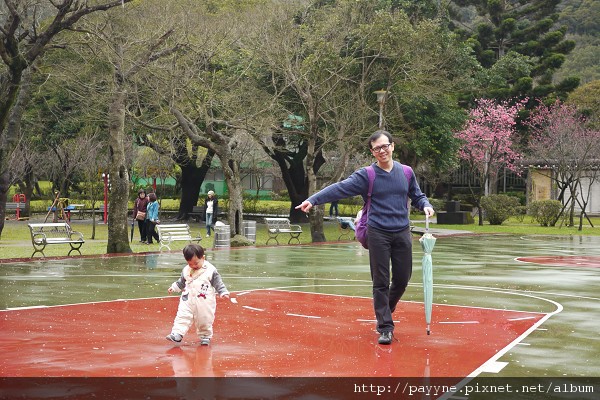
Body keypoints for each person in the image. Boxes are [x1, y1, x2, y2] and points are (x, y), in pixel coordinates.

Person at [296, 130, 435, 345]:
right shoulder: (367, 175)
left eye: (385, 146)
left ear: (392, 146)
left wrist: (425, 205)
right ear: (372, 152)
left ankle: (384, 311)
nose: (382, 151)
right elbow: (339, 188)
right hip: (377, 231)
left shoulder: (406, 172)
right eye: (377, 148)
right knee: (380, 281)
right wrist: (313, 200)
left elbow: (416, 195)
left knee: (402, 278)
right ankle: (385, 327)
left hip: (401, 231)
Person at [166, 244, 230, 346]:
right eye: (190, 264)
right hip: (188, 299)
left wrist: (223, 292)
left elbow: (218, 282)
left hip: (204, 300)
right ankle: (177, 333)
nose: (193, 266)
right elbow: (181, 281)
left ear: (203, 258)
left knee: (204, 318)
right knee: (182, 315)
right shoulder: (186, 270)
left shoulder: (210, 270)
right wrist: (174, 287)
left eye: (196, 263)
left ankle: (205, 336)